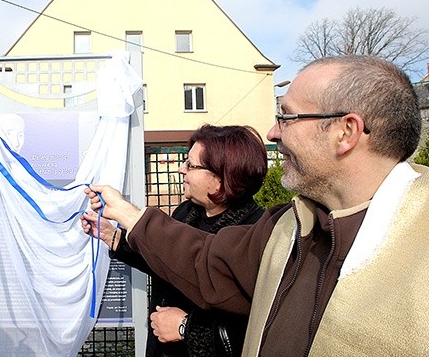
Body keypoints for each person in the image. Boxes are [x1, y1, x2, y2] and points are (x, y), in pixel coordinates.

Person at [85, 55, 429, 356]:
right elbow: (206, 263)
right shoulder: (288, 227)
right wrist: (127, 223)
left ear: (345, 132)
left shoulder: (420, 240)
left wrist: (187, 328)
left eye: (287, 117)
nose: (273, 132)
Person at [83, 125, 268, 356]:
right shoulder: (187, 212)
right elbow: (166, 262)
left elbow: (253, 326)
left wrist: (186, 327)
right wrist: (114, 237)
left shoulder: (253, 233)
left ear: (220, 177)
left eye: (191, 165)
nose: (181, 170)